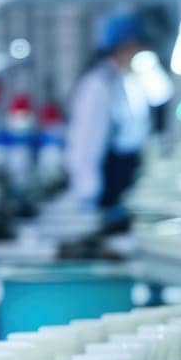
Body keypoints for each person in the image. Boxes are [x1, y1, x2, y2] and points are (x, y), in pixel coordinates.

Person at [65, 12, 153, 218]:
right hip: (101, 189)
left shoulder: (121, 81)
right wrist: (90, 193)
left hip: (115, 185)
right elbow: (87, 141)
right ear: (126, 46)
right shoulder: (98, 85)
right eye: (137, 48)